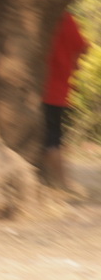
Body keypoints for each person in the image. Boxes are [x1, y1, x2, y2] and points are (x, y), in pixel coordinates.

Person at [41, 10, 89, 192]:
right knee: (54, 137)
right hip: (58, 89)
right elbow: (83, 47)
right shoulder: (67, 19)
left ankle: (61, 182)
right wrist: (72, 63)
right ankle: (62, 182)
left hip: (44, 89)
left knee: (51, 138)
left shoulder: (39, 18)